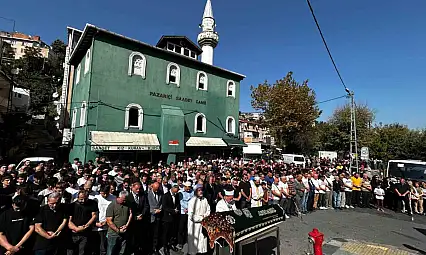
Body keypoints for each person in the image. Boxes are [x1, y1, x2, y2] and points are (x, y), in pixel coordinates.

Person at [67, 190, 98, 255]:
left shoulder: (92, 204)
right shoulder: (72, 206)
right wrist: (76, 228)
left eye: (85, 199)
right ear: (77, 197)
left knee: (83, 252)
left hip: (85, 232)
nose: (83, 201)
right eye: (81, 199)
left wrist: (85, 226)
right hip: (73, 233)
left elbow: (94, 216)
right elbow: (69, 220)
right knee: (71, 252)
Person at [106, 190, 132, 255]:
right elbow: (109, 221)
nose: (124, 201)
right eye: (123, 200)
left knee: (122, 252)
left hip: (124, 232)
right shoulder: (112, 205)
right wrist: (118, 230)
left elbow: (130, 214)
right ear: (119, 197)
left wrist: (126, 225)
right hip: (113, 233)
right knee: (111, 251)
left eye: (125, 200)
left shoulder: (127, 204)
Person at [125, 181, 149, 254]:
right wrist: (135, 217)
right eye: (136, 189)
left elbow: (146, 206)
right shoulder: (128, 197)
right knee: (132, 239)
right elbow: (127, 210)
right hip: (132, 221)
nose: (138, 190)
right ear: (132, 188)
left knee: (140, 237)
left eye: (139, 189)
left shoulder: (143, 195)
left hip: (141, 219)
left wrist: (142, 214)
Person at [187, 184, 210, 255]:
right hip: (195, 226)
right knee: (194, 245)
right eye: (199, 190)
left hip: (203, 225)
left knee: (202, 243)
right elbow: (191, 216)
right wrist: (202, 218)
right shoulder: (191, 201)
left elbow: (208, 210)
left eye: (201, 190)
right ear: (196, 191)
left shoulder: (205, 200)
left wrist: (205, 216)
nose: (201, 192)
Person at [93, 185, 116, 255]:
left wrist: (107, 221)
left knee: (106, 246)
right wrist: (96, 223)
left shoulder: (113, 198)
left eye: (107, 193)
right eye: (103, 193)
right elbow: (94, 212)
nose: (105, 195)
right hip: (98, 225)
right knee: (99, 246)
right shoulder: (96, 198)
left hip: (108, 225)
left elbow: (114, 211)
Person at [160, 184, 180, 255]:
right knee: (166, 233)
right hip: (167, 218)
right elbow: (165, 207)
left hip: (174, 217)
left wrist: (177, 209)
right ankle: (165, 247)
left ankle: (171, 244)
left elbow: (177, 203)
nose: (176, 192)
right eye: (175, 191)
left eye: (177, 191)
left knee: (172, 232)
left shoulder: (176, 195)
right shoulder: (165, 196)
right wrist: (173, 211)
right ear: (172, 189)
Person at [177, 181, 193, 250]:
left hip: (190, 211)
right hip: (183, 212)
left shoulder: (192, 192)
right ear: (185, 187)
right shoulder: (180, 192)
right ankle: (180, 242)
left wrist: (189, 208)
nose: (188, 189)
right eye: (187, 188)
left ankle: (187, 241)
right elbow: (181, 202)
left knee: (188, 227)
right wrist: (186, 208)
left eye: (189, 188)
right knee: (181, 228)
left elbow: (192, 200)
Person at [147, 182, 163, 255]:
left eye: (157, 189)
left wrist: (160, 209)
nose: (156, 191)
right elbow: (147, 205)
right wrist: (153, 211)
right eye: (155, 189)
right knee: (150, 233)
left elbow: (161, 203)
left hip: (158, 216)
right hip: (151, 216)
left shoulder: (160, 193)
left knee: (157, 233)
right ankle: (150, 248)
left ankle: (155, 247)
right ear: (152, 187)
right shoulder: (147, 194)